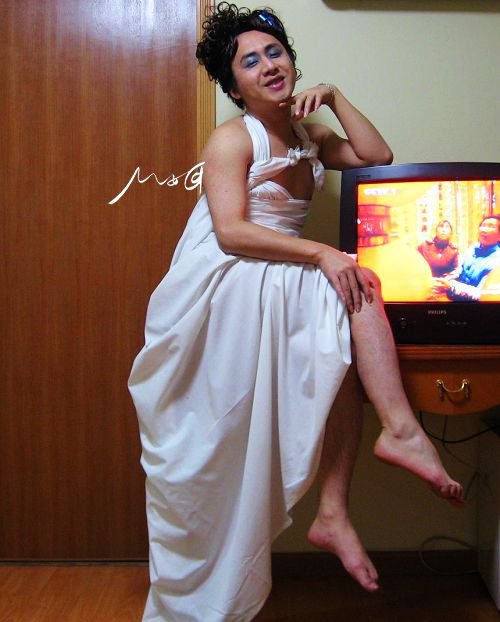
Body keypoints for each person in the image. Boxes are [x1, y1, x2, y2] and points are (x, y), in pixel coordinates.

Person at [128, 4, 464, 620]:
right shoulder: (232, 138)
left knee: (346, 334)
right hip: (227, 276)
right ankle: (398, 433)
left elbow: (378, 154)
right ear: (235, 88)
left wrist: (333, 96)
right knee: (354, 278)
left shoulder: (311, 136)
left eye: (274, 52)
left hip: (276, 272)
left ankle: (341, 502)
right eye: (249, 62)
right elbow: (231, 232)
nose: (267, 65)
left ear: (291, 61)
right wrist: (321, 253)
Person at [432, 215, 500, 300]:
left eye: (491, 226)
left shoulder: (497, 262)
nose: (484, 229)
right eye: (483, 225)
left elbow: (482, 294)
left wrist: (452, 286)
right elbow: (462, 269)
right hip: (454, 297)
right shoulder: (473, 248)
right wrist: (447, 279)